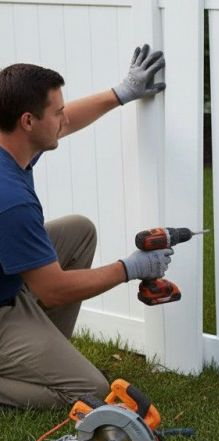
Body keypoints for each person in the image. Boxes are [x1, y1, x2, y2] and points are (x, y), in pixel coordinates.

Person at [0, 44, 174, 409]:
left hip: (7, 281)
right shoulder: (12, 201)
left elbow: (68, 119)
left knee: (78, 232)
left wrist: (122, 92)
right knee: (90, 391)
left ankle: (43, 350)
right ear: (28, 121)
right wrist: (129, 268)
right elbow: (54, 291)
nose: (64, 119)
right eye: (57, 112)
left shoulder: (10, 139)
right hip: (4, 305)